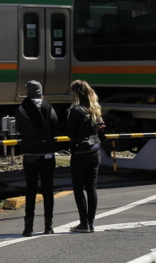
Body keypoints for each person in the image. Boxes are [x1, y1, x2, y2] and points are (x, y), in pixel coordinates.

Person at [14, 80, 59, 236]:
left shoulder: (22, 108)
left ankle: (28, 228)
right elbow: (55, 125)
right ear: (40, 91)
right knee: (48, 190)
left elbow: (18, 129)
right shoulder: (48, 107)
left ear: (28, 92)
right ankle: (48, 226)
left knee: (30, 190)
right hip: (47, 154)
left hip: (29, 155)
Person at [66, 79, 103, 233]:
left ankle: (83, 223)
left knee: (78, 188)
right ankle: (91, 223)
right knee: (91, 188)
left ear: (76, 93)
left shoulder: (76, 111)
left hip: (80, 152)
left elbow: (70, 133)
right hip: (95, 151)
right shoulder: (95, 109)